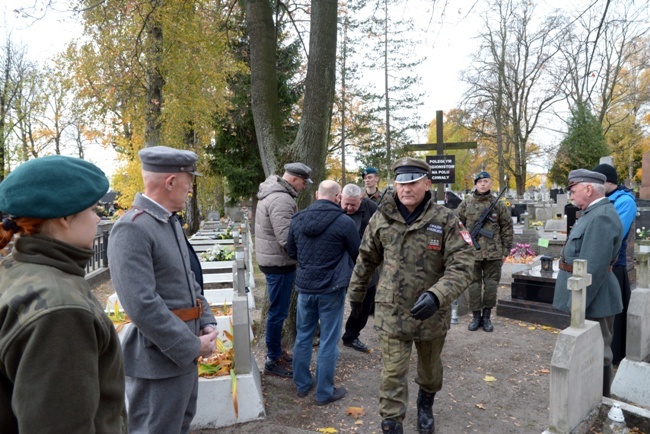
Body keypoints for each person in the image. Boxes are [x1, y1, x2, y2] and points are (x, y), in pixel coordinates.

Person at [0, 155, 127, 433]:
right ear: (65, 217)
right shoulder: (62, 310)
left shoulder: (18, 267)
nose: (97, 219)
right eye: (93, 209)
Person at [348, 157, 474, 434]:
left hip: (431, 313)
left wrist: (438, 295)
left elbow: (464, 265)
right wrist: (356, 294)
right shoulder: (382, 218)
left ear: (427, 184)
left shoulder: (446, 219)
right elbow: (366, 259)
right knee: (392, 373)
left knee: (430, 372)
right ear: (395, 184)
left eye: (413, 182)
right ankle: (391, 423)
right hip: (392, 311)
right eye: (401, 183)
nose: (406, 188)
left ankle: (425, 404)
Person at [108, 146, 219, 434]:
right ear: (170, 182)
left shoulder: (168, 221)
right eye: (188, 180)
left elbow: (188, 281)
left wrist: (206, 320)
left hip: (182, 355)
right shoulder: (133, 228)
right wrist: (192, 346)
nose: (191, 187)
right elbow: (142, 305)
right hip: (157, 361)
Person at [287, 180, 360, 405]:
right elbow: (357, 252)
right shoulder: (344, 222)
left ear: (317, 194)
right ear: (338, 197)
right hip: (331, 288)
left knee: (303, 337)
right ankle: (324, 392)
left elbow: (291, 250)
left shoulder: (298, 219)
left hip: (305, 288)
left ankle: (302, 384)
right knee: (328, 340)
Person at [553, 168, 623, 397]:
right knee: (588, 351)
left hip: (595, 299)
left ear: (588, 189)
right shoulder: (594, 213)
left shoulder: (601, 216)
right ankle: (586, 398)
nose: (571, 196)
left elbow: (592, 268)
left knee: (598, 352)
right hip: (591, 299)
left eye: (573, 191)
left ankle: (600, 402)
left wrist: (578, 305)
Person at [255, 162, 312, 377]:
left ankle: (277, 351)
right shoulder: (281, 199)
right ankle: (272, 359)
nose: (304, 186)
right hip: (279, 263)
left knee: (278, 311)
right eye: (304, 182)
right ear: (295, 179)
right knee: (277, 313)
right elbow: (286, 238)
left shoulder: (275, 193)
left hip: (274, 260)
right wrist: (305, 256)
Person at [456, 171, 513, 332]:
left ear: (490, 184)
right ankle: (475, 317)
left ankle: (487, 317)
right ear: (475, 184)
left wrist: (505, 250)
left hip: (494, 254)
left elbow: (507, 228)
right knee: (473, 286)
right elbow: (456, 225)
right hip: (471, 254)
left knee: (491, 286)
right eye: (480, 181)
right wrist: (461, 247)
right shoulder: (466, 204)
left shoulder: (498, 205)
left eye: (486, 181)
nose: (483, 184)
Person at [592, 163, 636, 365]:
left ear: (607, 181)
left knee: (613, 313)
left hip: (614, 264)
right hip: (600, 262)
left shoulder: (625, 201)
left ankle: (615, 354)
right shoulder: (604, 199)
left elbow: (615, 231)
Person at [340, 183, 379, 353]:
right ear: (340, 198)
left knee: (364, 302)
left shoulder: (372, 208)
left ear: (361, 199)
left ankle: (351, 335)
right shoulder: (334, 207)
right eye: (346, 204)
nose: (348, 208)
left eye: (353, 205)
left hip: (365, 262)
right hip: (340, 261)